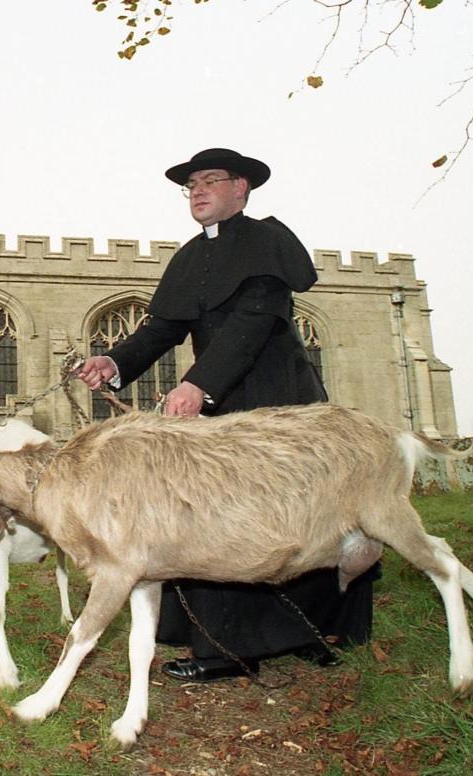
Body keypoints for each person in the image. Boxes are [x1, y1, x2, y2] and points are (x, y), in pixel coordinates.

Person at [76, 148, 380, 682]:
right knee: (218, 522)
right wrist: (115, 362)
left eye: (210, 180)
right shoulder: (190, 257)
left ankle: (314, 631)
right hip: (221, 403)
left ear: (241, 187)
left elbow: (254, 322)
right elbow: (163, 329)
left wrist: (198, 387)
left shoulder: (267, 241)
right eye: (191, 183)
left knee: (305, 514)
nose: (197, 190)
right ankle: (225, 647)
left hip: (279, 401)